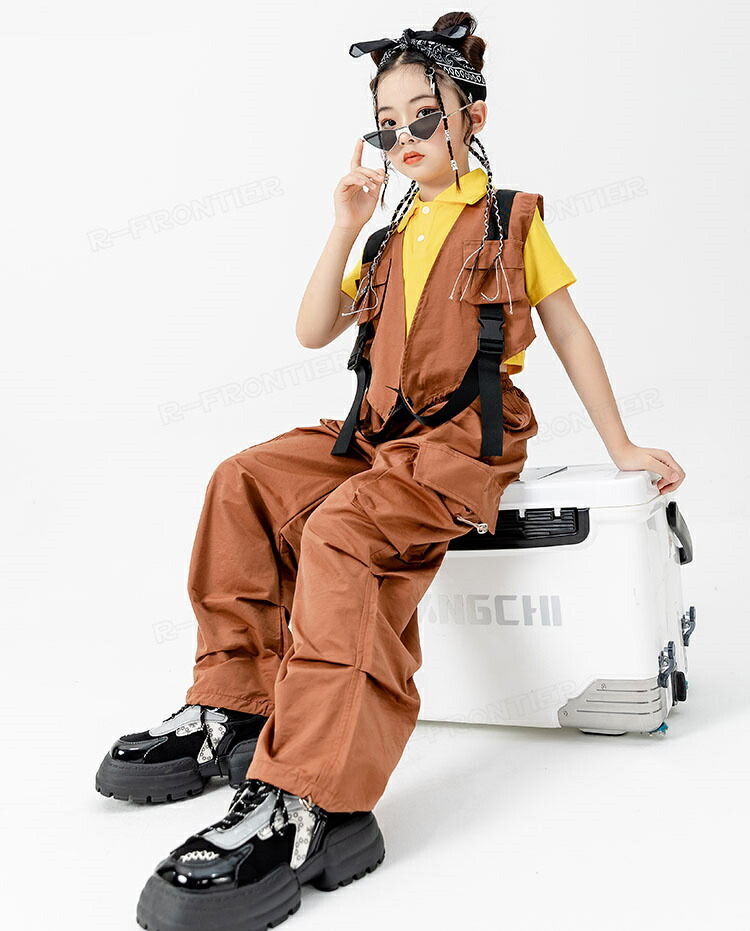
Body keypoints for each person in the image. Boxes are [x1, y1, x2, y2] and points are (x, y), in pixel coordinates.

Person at [97, 13, 686, 931]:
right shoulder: (383, 238)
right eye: (386, 123)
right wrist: (345, 224)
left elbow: (569, 331)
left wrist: (622, 446)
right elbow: (311, 331)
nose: (404, 135)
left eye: (423, 115)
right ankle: (235, 707)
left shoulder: (510, 220)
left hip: (462, 442)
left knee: (343, 533)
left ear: (471, 118)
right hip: (376, 434)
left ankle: (315, 796)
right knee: (242, 480)